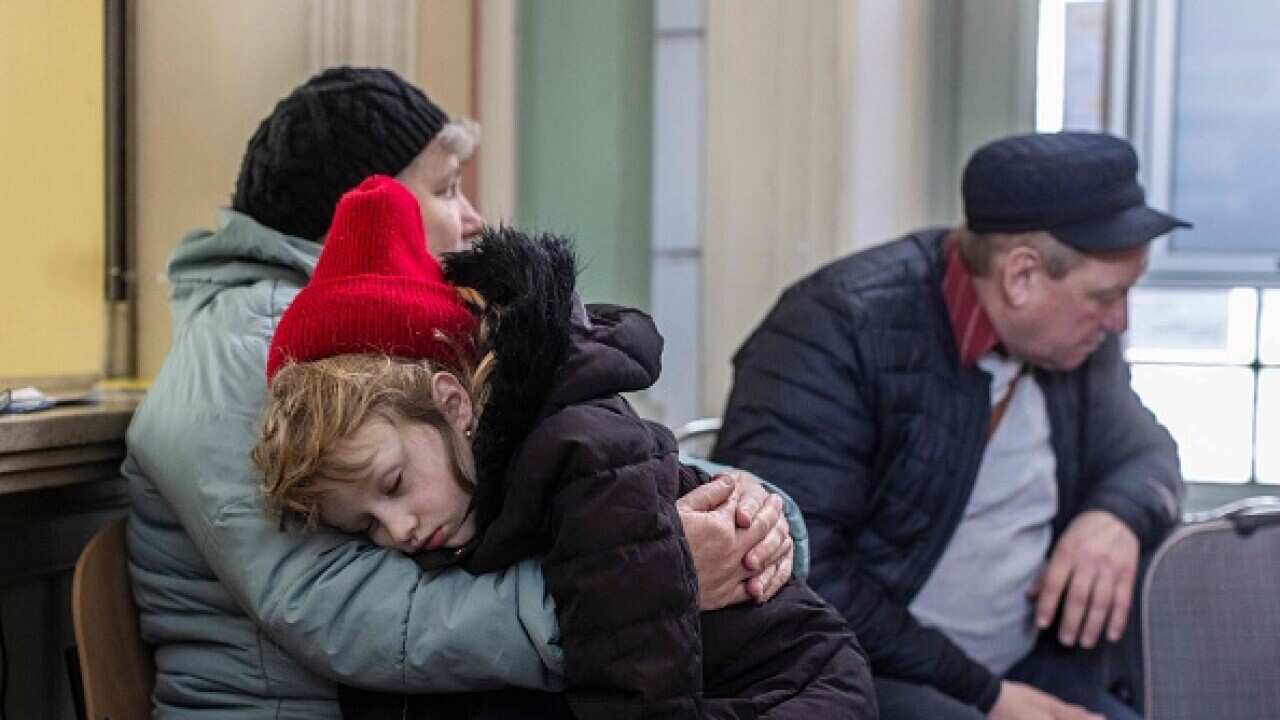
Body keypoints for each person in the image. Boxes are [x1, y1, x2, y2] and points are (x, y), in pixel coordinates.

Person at [123, 67, 799, 719]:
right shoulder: (270, 355)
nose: (472, 218)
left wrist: (747, 514)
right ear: (358, 209)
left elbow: (562, 466)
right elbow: (345, 610)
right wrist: (649, 583)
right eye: (446, 190)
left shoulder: (357, 340)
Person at [251, 175, 877, 719]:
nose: (398, 529)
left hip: (791, 689)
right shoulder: (468, 490)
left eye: (392, 486)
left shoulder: (581, 453)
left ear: (453, 403)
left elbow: (638, 677)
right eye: (365, 525)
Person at [712, 132, 1188, 720]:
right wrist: (987, 697)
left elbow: (1148, 452)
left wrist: (1115, 515)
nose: (1119, 321)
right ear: (1022, 276)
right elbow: (800, 574)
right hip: (863, 674)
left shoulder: (1075, 341)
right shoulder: (833, 332)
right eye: (1106, 296)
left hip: (1024, 667)